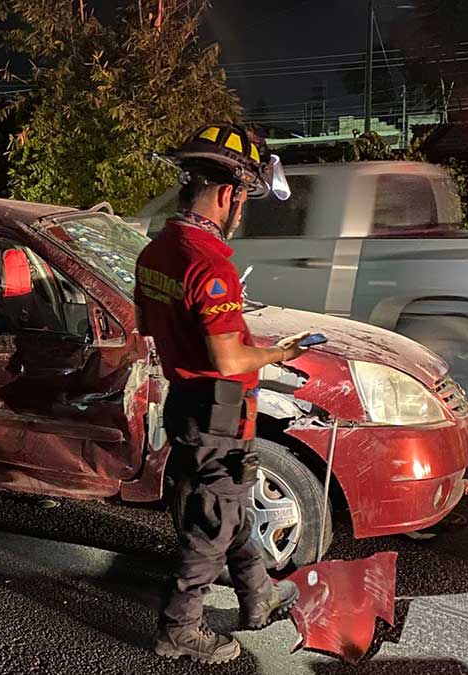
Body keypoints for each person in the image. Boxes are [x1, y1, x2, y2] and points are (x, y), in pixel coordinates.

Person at [135, 122, 313, 664]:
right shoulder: (210, 265)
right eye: (245, 200)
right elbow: (229, 358)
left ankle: (256, 595)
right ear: (229, 193)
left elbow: (150, 325)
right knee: (211, 521)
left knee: (227, 504)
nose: (242, 212)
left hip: (187, 405)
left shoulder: (155, 251)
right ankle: (179, 628)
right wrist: (282, 353)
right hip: (219, 412)